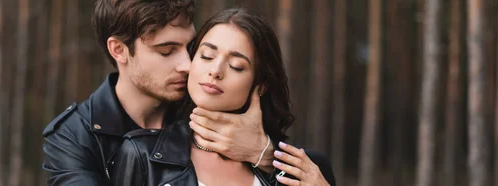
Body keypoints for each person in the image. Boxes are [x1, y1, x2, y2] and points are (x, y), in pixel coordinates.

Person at [41, 1, 278, 185]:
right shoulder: (73, 136)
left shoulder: (205, 97)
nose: (187, 64)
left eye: (191, 48)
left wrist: (264, 154)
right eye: (167, 51)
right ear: (119, 50)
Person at [111, 8, 336, 186]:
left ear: (261, 85)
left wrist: (265, 156)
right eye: (207, 56)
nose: (216, 70)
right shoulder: (142, 154)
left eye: (236, 66)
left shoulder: (303, 170)